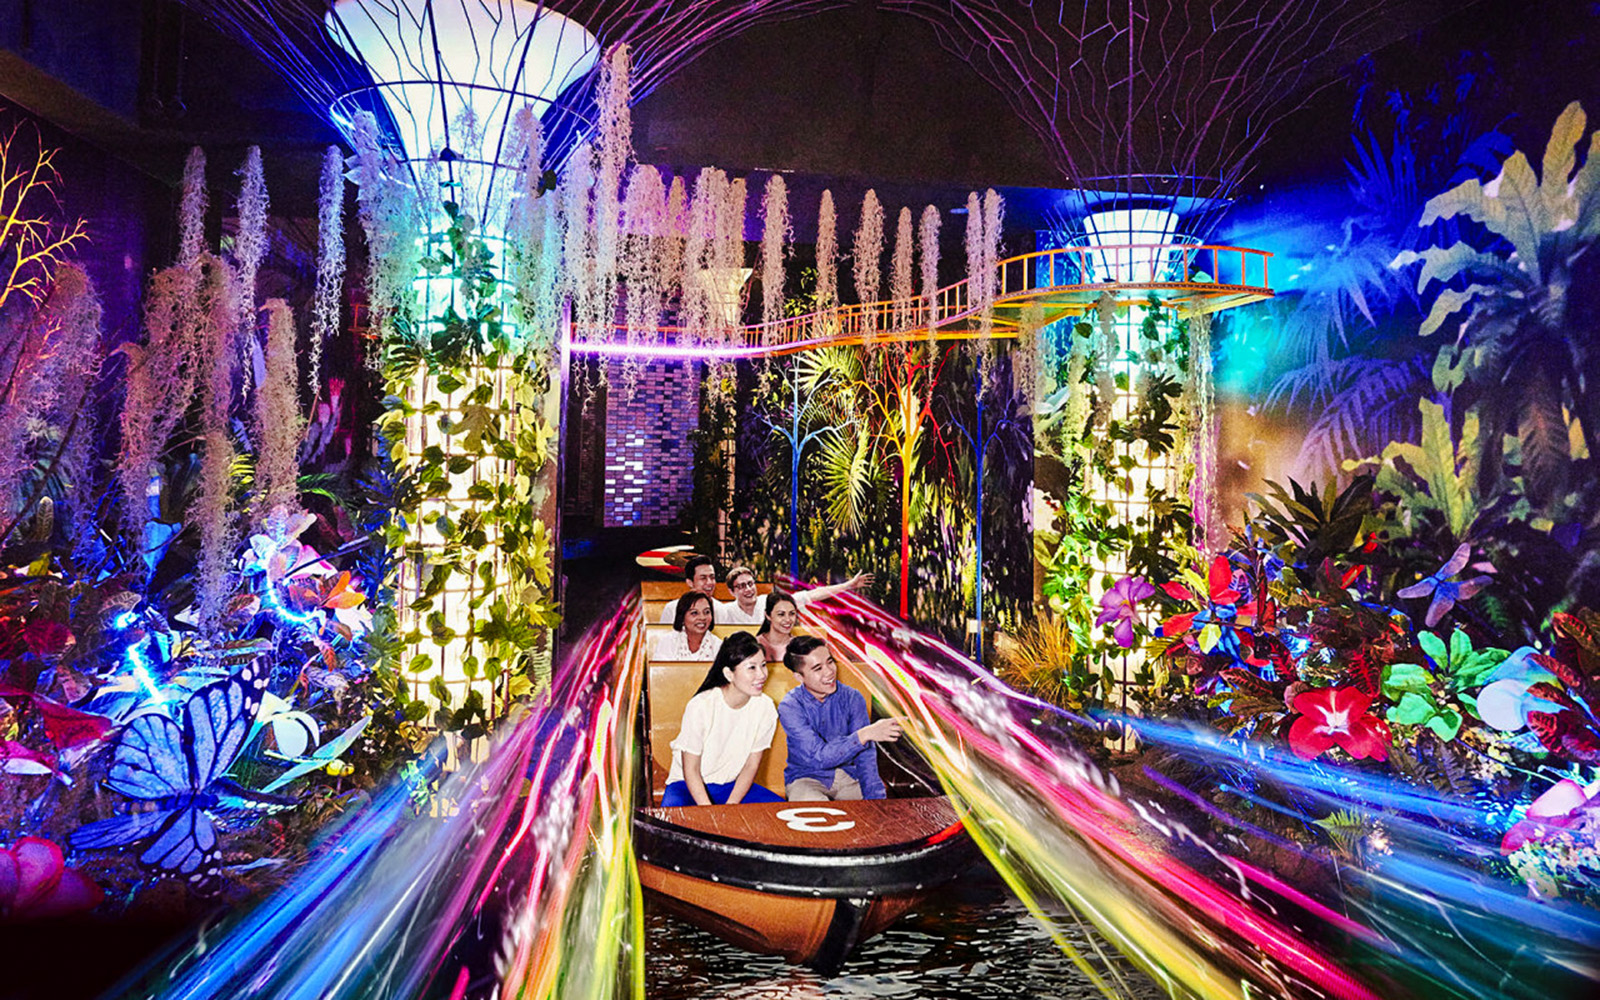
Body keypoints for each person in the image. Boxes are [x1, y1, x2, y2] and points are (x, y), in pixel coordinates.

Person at [661, 631, 785, 807]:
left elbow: (751, 766)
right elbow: (691, 770)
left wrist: (731, 807)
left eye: (763, 665)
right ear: (729, 674)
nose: (762, 674)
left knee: (781, 817)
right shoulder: (701, 705)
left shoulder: (765, 707)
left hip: (731, 787)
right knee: (672, 826)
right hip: (686, 786)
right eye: (752, 668)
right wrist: (711, 813)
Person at [776, 635, 900, 802]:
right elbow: (819, 758)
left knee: (874, 815)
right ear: (799, 676)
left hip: (847, 776)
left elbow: (866, 757)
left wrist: (877, 803)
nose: (829, 671)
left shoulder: (852, 697)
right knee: (815, 812)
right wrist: (863, 735)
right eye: (818, 668)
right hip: (806, 778)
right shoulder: (790, 706)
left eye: (830, 661)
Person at [718, 568, 876, 627]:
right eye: (741, 586)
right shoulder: (726, 612)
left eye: (750, 584)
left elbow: (811, 595)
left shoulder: (770, 601)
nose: (748, 589)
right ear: (732, 592)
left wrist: (848, 585)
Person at [651, 592, 722, 662]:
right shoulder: (668, 642)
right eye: (694, 613)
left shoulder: (719, 646)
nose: (702, 617)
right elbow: (660, 672)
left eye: (706, 612)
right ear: (682, 617)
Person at [658, 554, 719, 624]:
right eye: (703, 578)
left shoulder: (722, 609)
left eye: (712, 577)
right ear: (690, 582)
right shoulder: (672, 609)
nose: (709, 582)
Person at [756, 590, 800, 663]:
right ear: (768, 615)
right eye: (781, 614)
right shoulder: (755, 644)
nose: (788, 619)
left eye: (792, 614)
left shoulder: (799, 646)